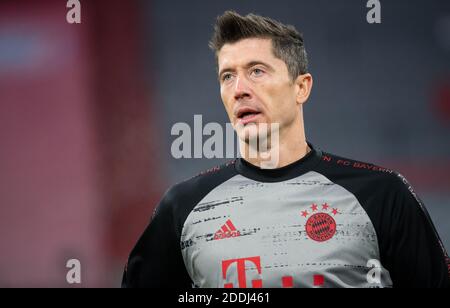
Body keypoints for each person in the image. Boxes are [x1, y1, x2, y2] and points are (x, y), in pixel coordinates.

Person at [122, 11, 450, 288]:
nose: (239, 90)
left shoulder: (382, 194)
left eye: (256, 71)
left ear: (301, 87)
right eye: (227, 76)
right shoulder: (182, 206)